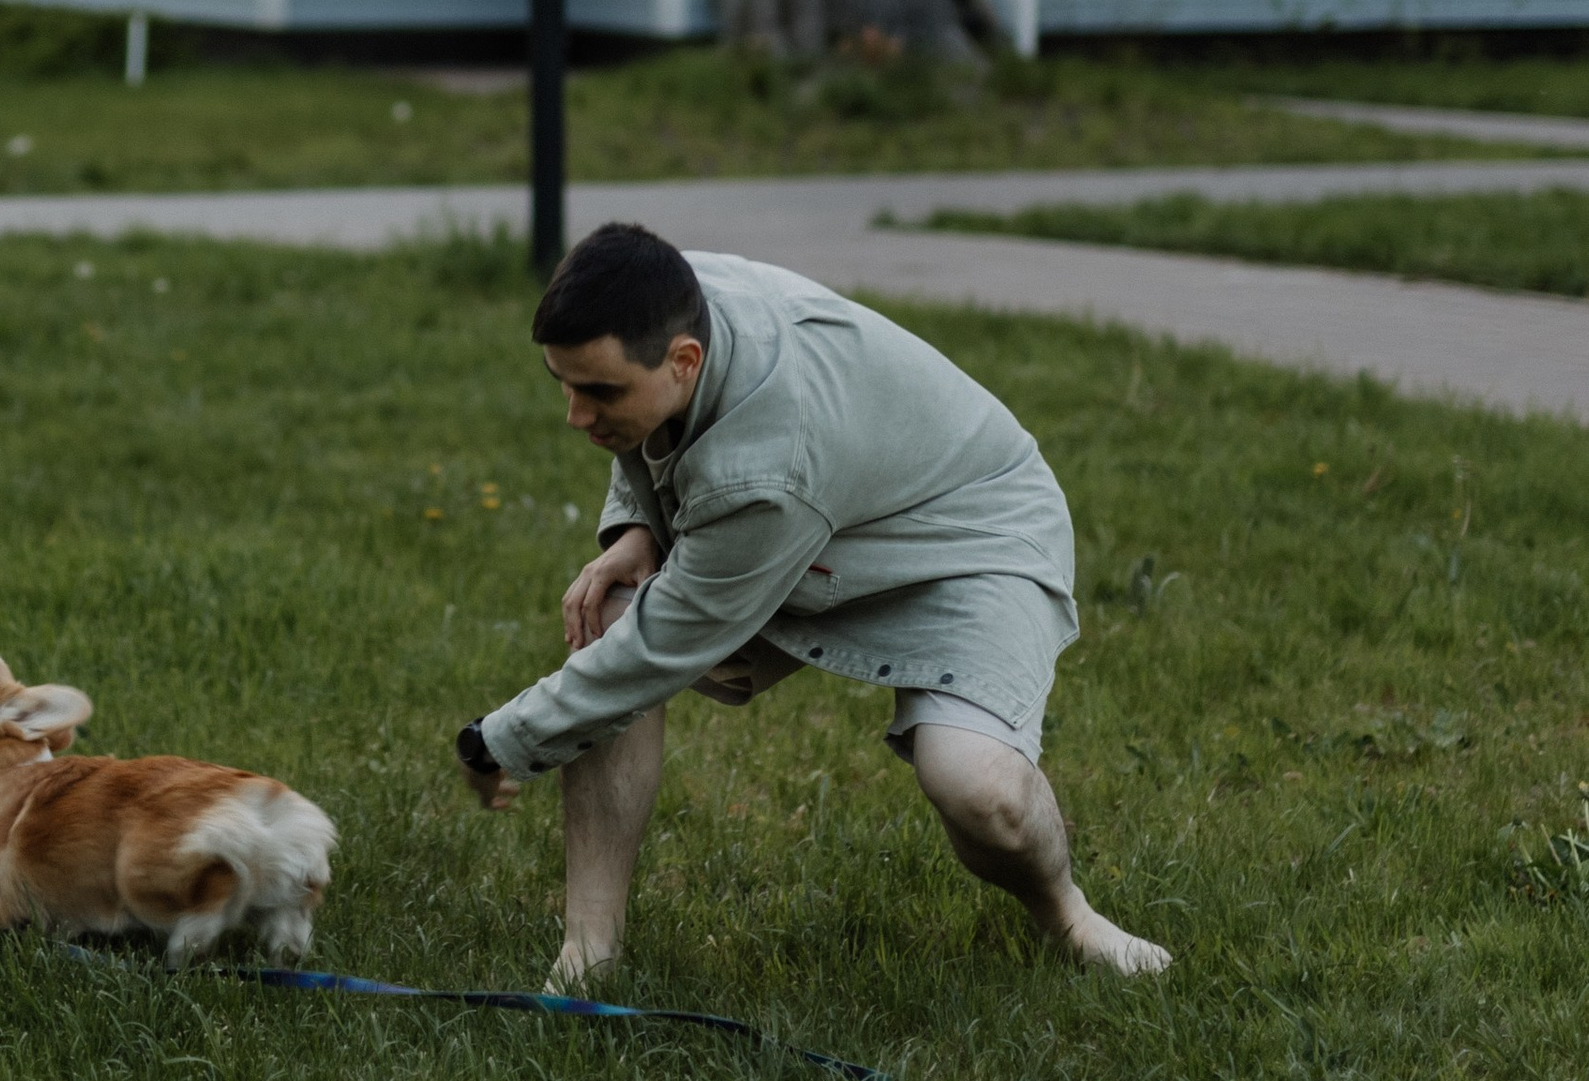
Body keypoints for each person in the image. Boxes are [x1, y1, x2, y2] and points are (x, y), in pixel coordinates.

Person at [452, 221, 1168, 988]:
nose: (575, 414)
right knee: (612, 612)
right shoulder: (669, 295)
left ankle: (1066, 913)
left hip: (973, 538)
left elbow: (659, 652)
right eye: (563, 383)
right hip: (832, 508)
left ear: (685, 360)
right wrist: (636, 524)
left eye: (599, 393)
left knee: (981, 792)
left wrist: (496, 742)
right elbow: (651, 420)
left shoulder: (765, 466)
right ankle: (588, 953)